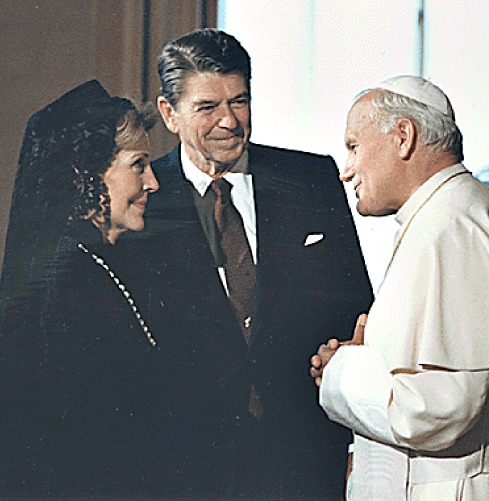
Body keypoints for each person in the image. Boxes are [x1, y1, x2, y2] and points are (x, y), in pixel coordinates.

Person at [134, 28, 373, 498]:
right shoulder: (143, 196)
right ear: (169, 114)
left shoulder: (309, 179)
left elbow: (356, 309)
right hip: (184, 469)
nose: (229, 121)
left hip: (304, 461)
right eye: (207, 108)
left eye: (239, 101)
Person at [310, 75, 489, 500]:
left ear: (403, 137)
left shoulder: (453, 224)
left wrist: (341, 370)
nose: (346, 171)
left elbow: (439, 409)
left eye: (354, 146)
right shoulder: (446, 213)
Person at [0, 80, 166, 497]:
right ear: (87, 173)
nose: (153, 183)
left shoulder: (97, 265)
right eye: (138, 165)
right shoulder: (62, 284)